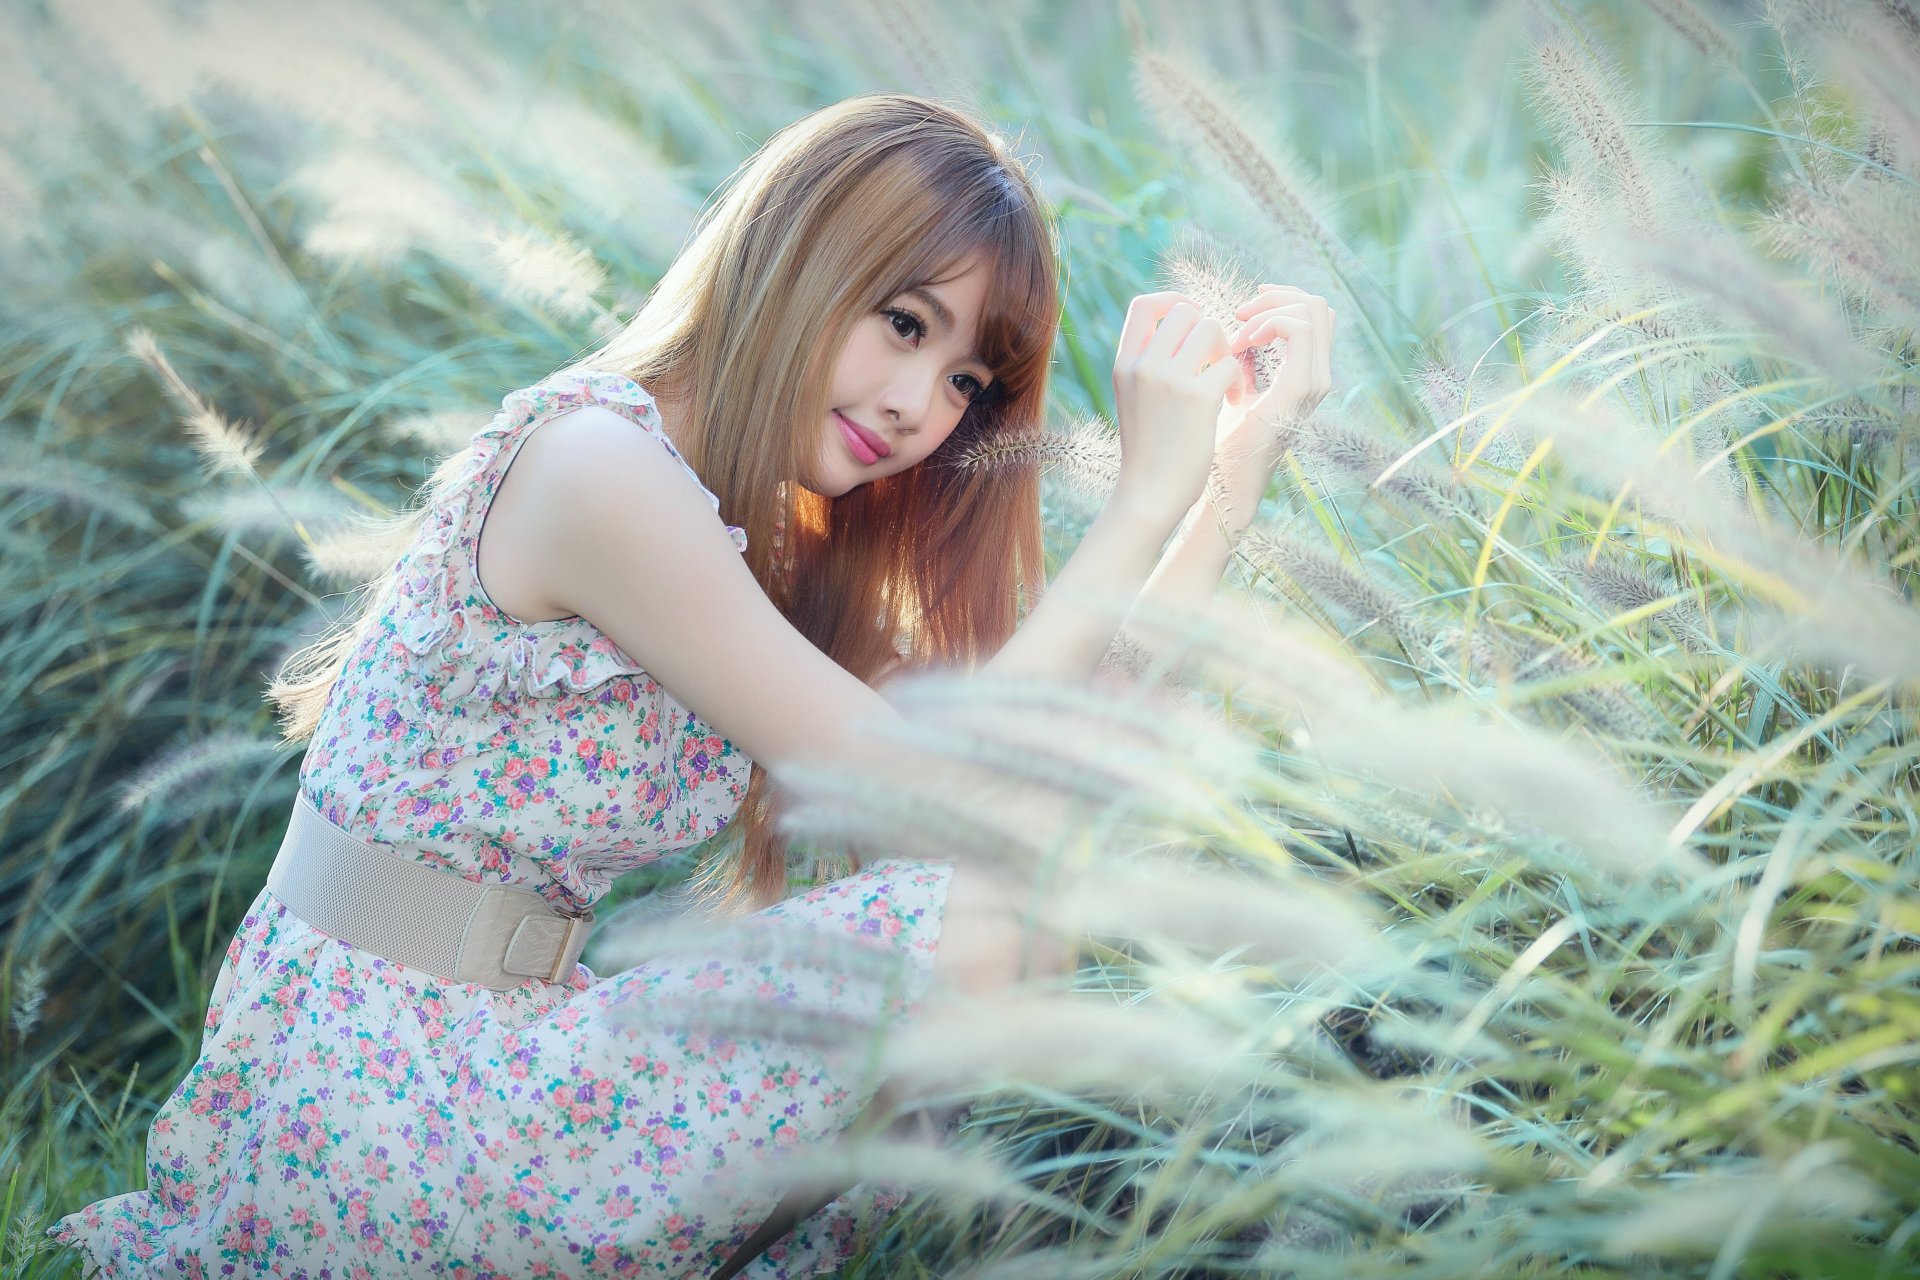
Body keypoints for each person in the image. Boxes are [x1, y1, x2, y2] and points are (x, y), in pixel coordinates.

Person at [49, 93, 1332, 1277]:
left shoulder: (752, 537)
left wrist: (1227, 478)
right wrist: (1142, 497)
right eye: (902, 321)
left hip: (488, 1059)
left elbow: (1053, 752)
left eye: (965, 381)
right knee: (993, 912)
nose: (917, 406)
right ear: (799, 251)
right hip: (376, 1096)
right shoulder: (595, 466)